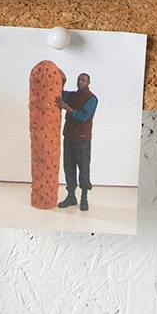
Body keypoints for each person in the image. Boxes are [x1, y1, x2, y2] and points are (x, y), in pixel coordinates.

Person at [58, 69, 97, 211]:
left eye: (83, 80)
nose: (80, 82)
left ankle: (84, 197)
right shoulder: (73, 95)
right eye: (79, 79)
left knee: (83, 168)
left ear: (88, 83)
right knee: (68, 167)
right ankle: (71, 196)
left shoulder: (92, 99)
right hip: (69, 137)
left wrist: (66, 107)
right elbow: (60, 92)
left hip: (82, 139)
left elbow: (83, 116)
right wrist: (59, 78)